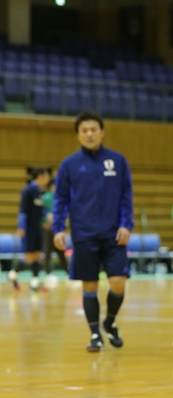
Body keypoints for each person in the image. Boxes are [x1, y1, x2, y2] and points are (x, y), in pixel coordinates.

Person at [53, 110, 133, 352]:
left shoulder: (117, 161)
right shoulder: (69, 164)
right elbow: (61, 199)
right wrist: (58, 228)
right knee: (89, 286)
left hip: (113, 234)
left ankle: (109, 322)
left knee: (118, 282)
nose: (89, 134)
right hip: (84, 234)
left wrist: (126, 224)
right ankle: (95, 334)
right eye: (84, 131)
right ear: (78, 135)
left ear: (102, 132)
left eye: (93, 130)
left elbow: (126, 195)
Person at [8, 168, 50, 291]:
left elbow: (39, 210)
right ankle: (13, 274)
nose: (48, 179)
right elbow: (23, 211)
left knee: (38, 255)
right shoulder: (27, 191)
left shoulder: (39, 192)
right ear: (41, 176)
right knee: (29, 257)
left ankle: (35, 281)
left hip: (38, 228)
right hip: (29, 229)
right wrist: (21, 227)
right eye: (47, 176)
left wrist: (45, 220)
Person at [42, 178, 69, 283]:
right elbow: (41, 211)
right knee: (47, 250)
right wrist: (45, 219)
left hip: (58, 229)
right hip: (48, 228)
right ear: (52, 185)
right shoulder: (46, 197)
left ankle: (68, 272)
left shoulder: (60, 197)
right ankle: (48, 273)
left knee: (61, 250)